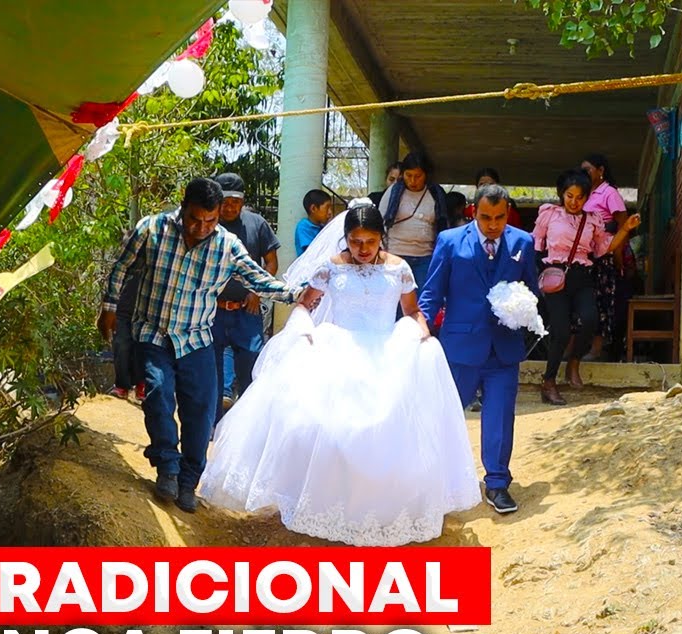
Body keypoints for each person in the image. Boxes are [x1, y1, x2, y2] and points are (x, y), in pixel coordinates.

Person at [199, 203, 480, 545]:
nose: (362, 249)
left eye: (370, 241)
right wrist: (303, 331)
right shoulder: (331, 268)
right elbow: (305, 305)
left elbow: (411, 310)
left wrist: (422, 334)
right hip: (337, 348)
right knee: (329, 429)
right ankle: (330, 504)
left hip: (385, 351)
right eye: (355, 241)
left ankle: (381, 508)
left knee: (383, 434)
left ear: (382, 239)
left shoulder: (399, 269)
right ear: (345, 238)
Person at [97, 178, 299, 514]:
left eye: (211, 220)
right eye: (195, 219)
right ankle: (168, 467)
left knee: (202, 412)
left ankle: (189, 480)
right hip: (153, 333)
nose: (201, 228)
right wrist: (109, 307)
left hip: (197, 338)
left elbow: (258, 278)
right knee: (158, 394)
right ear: (183, 207)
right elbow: (121, 267)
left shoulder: (228, 246)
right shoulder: (152, 230)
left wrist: (296, 294)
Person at [418, 183, 542, 514]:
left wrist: (524, 307)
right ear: (474, 212)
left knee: (500, 417)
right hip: (460, 346)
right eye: (486, 217)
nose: (493, 224)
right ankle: (433, 479)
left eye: (500, 218)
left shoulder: (523, 242)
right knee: (444, 415)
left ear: (507, 214)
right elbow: (432, 292)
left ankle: (498, 483)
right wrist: (420, 326)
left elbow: (531, 288)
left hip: (504, 346)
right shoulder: (449, 241)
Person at [532, 169, 640, 405]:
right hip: (555, 276)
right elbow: (536, 245)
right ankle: (548, 382)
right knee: (560, 330)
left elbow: (604, 248)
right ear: (562, 194)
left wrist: (625, 229)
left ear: (586, 198)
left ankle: (574, 362)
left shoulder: (592, 220)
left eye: (579, 197)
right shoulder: (549, 214)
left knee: (591, 319)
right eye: (570, 196)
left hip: (582, 276)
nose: (574, 201)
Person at [211, 172, 281, 417]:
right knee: (212, 371)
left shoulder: (256, 223)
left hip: (247, 311)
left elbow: (271, 262)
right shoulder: (207, 224)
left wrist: (256, 291)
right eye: (225, 201)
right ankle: (214, 427)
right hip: (212, 312)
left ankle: (246, 424)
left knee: (250, 366)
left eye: (236, 201)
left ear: (242, 201)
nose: (230, 207)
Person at [580, 154, 630, 360]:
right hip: (586, 255)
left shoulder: (609, 192)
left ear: (600, 171)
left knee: (602, 301)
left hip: (606, 255)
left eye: (588, 169)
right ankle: (578, 347)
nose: (584, 174)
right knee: (584, 301)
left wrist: (617, 256)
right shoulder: (583, 194)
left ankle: (597, 348)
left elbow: (623, 225)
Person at [378, 152, 449, 288]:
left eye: (417, 176)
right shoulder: (393, 191)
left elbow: (442, 226)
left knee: (420, 303)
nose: (412, 181)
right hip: (395, 255)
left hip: (425, 258)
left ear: (426, 175)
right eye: (408, 175)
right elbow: (380, 222)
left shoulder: (436, 194)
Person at [107, 255, 145, 402]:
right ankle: (122, 386)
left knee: (142, 347)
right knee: (121, 344)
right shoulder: (128, 255)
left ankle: (142, 385)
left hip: (146, 310)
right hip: (123, 307)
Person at [294, 188, 333, 257]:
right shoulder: (303, 227)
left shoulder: (322, 227)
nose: (330, 212)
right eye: (327, 208)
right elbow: (313, 252)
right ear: (313, 208)